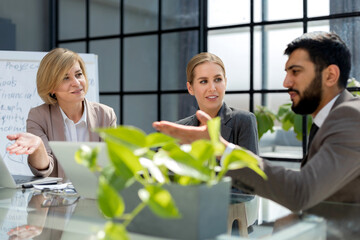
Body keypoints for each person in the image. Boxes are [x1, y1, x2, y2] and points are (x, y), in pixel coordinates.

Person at [153, 31, 360, 211]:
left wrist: (220, 148)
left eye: (295, 72)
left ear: (330, 75)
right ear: (191, 87)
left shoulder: (351, 116)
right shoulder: (328, 120)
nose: (285, 82)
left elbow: (301, 191)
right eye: (286, 72)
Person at [6, 48, 117, 179]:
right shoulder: (39, 116)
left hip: (95, 195)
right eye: (65, 78)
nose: (76, 83)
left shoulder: (106, 115)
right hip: (57, 199)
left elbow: (111, 165)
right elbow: (44, 170)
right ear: (51, 87)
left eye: (78, 74)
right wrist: (39, 147)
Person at [176, 52, 258, 154]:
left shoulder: (243, 121)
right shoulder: (181, 128)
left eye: (218, 79)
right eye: (203, 81)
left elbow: (250, 168)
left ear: (225, 82)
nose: (212, 88)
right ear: (190, 88)